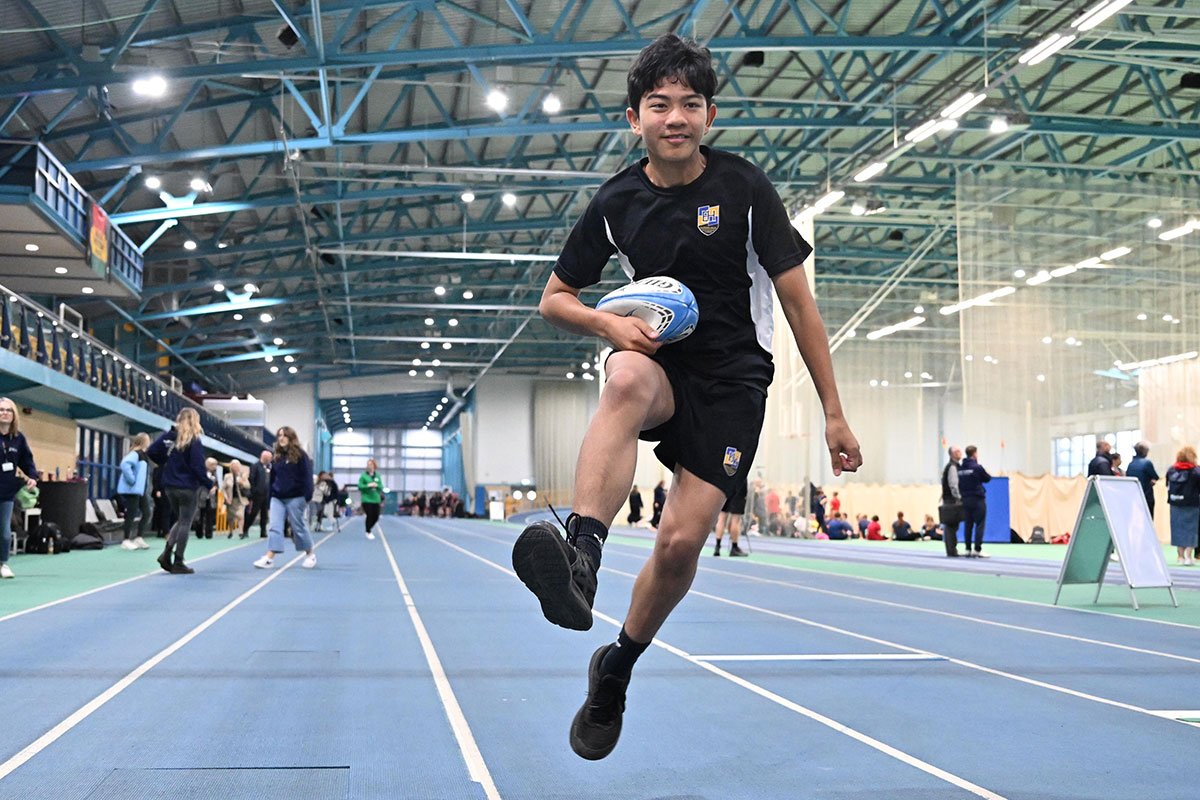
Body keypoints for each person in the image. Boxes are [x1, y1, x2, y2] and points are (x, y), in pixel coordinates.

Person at [508, 33, 861, 762]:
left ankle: (615, 670)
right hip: (664, 365)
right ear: (632, 117)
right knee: (624, 375)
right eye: (659, 105)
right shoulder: (617, 202)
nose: (676, 117)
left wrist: (832, 410)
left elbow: (800, 306)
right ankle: (582, 559)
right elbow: (554, 299)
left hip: (735, 382)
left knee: (677, 543)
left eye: (691, 104)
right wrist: (607, 324)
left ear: (710, 115)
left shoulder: (745, 189)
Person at [146, 408, 213, 574]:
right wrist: (208, 483)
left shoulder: (168, 436)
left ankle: (166, 554)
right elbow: (197, 466)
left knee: (181, 520)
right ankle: (178, 561)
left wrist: (165, 462)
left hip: (169, 486)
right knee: (185, 522)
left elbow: (151, 451)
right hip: (187, 486)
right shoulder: (194, 440)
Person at [253, 426, 316, 569]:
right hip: (277, 497)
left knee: (297, 527)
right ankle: (269, 558)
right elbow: (273, 479)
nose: (281, 438)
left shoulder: (301, 456)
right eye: (279, 435)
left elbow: (307, 478)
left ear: (290, 437)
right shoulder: (277, 458)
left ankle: (310, 554)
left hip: (296, 497)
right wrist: (270, 499)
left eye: (284, 435)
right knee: (274, 526)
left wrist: (307, 496)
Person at [0, 396, 39, 579]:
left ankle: (3, 564)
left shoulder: (18, 438)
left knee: (5, 532)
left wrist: (32, 476)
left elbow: (26, 460)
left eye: (8, 410)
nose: (4, 413)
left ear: (14, 414)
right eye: (1, 410)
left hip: (6, 492)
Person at [116, 432, 153, 550]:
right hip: (132, 490)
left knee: (147, 512)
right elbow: (125, 464)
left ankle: (139, 538)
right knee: (131, 514)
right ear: (144, 441)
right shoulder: (135, 454)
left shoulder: (143, 455)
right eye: (148, 440)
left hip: (140, 491)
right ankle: (126, 540)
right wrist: (132, 480)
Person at [1165, 447, 1200, 566]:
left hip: (1175, 503)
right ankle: (1189, 557)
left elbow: (1167, 485)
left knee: (1177, 529)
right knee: (1191, 530)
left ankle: (1181, 556)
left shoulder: (1171, 469)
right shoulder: (1196, 471)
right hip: (1192, 504)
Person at [958, 445, 991, 558]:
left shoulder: (961, 469)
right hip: (977, 499)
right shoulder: (977, 468)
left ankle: (967, 549)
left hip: (965, 499)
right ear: (975, 454)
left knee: (968, 524)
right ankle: (977, 549)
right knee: (980, 524)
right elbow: (987, 478)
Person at [939, 446, 964, 557]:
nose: (960, 453)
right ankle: (951, 550)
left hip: (950, 499)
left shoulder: (954, 466)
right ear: (952, 454)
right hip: (951, 500)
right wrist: (958, 497)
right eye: (958, 451)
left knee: (952, 526)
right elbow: (953, 485)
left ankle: (952, 549)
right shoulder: (952, 467)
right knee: (951, 526)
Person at [712, 479, 747, 556]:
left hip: (726, 483)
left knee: (722, 518)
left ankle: (717, 546)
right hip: (739, 485)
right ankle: (734, 547)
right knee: (736, 519)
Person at [1125, 442, 1160, 519]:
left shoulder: (1131, 464)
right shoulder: (1147, 463)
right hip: (1146, 495)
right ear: (1145, 451)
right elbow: (1156, 477)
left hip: (1133, 496)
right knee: (1148, 518)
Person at [244, 449, 272, 538]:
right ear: (265, 457)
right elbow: (252, 479)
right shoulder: (255, 466)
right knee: (253, 513)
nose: (271, 460)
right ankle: (246, 530)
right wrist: (254, 491)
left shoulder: (269, 468)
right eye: (270, 458)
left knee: (264, 514)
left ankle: (263, 531)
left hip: (266, 494)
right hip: (257, 495)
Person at [222, 459, 250, 539]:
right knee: (230, 517)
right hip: (230, 499)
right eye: (234, 466)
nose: (236, 468)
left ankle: (240, 531)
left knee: (240, 515)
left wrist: (242, 482)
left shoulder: (242, 476)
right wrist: (226, 497)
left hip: (240, 499)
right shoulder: (227, 476)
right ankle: (230, 531)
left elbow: (248, 485)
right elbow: (223, 488)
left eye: (237, 466)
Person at [358, 458, 384, 540]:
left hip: (376, 499)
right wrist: (368, 485)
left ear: (374, 466)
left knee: (376, 516)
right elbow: (360, 486)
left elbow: (381, 487)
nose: (369, 466)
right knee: (369, 515)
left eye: (371, 464)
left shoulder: (377, 476)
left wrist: (376, 485)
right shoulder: (363, 476)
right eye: (368, 464)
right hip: (366, 499)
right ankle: (368, 531)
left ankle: (369, 527)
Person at [194, 457, 219, 539]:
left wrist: (215, 488)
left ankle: (209, 534)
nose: (215, 467)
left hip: (211, 498)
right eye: (213, 465)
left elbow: (216, 484)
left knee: (210, 516)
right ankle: (199, 533)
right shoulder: (201, 472)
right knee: (199, 515)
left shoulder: (214, 474)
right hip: (201, 496)